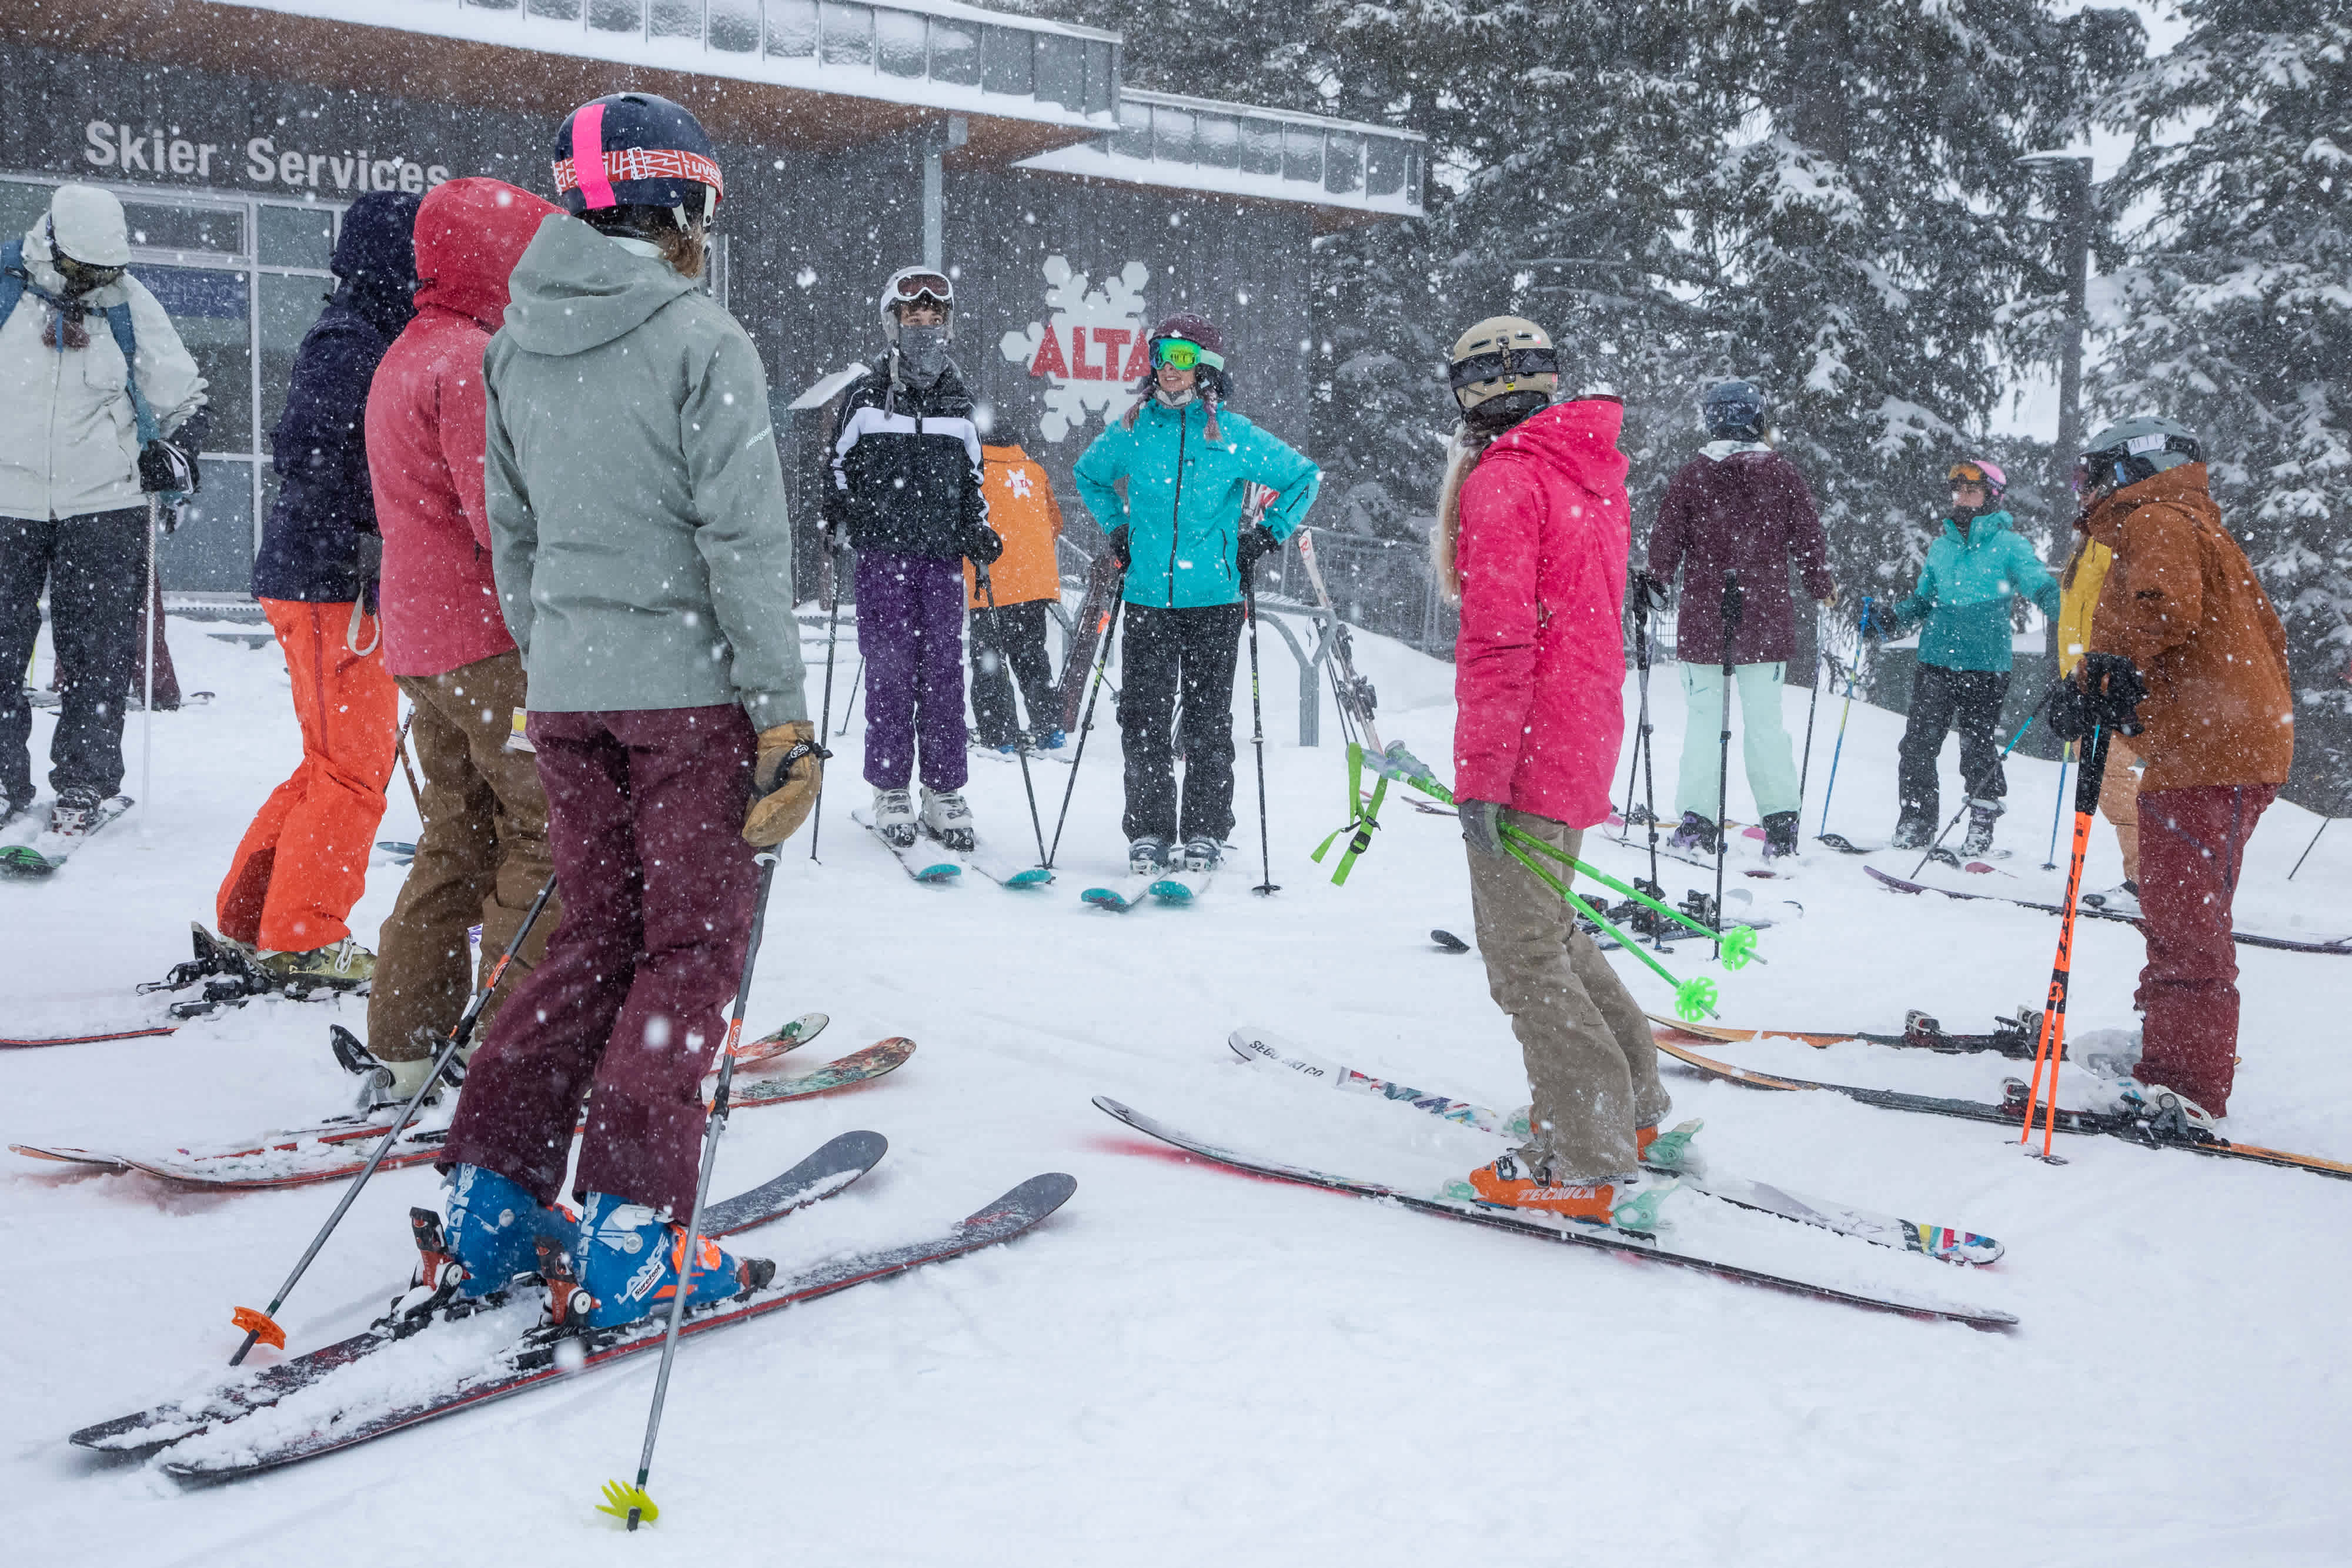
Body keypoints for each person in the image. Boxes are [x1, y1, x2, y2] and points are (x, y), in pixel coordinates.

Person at [432, 93, 822, 1329]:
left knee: (591, 940)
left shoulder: (513, 343)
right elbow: (744, 542)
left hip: (570, 695)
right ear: (680, 202)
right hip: (689, 695)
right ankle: (635, 1234)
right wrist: (779, 714)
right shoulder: (701, 339)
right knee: (688, 951)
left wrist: (565, 660)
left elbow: (515, 541)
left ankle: (492, 1200)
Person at [1432, 317, 1681, 1229]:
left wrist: (1481, 777)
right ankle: (1630, 1105)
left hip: (1531, 745)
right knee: (1555, 932)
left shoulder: (1505, 480)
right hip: (1578, 731)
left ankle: (1584, 1152)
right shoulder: (1584, 466)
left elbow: (1499, 643)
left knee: (1525, 952)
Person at [356, 178, 563, 1106]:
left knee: (457, 833)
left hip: (422, 643)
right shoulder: (475, 361)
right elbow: (502, 522)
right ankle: (515, 1052)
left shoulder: (406, 353)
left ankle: (406, 1040)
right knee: (548, 834)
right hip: (490, 644)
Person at [2052, 416, 2292, 1123]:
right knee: (2178, 909)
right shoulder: (2191, 523)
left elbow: (2162, 608)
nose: (2086, 490)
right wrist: (2100, 687)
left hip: (2207, 752)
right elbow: (2249, 636)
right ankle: (2168, 1045)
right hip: (2218, 744)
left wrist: (2108, 672)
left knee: (2184, 920)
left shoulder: (2155, 517)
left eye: (2092, 474)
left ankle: (2183, 1083)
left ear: (2132, 467)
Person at [214, 192, 416, 988]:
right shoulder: (354, 341)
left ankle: (255, 916)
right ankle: (303, 934)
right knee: (354, 770)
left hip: (319, 577)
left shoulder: (357, 332)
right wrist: (374, 529)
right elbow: (311, 452)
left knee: (328, 761)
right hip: (332, 584)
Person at [1073, 312, 1318, 875]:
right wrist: (1117, 527)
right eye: (1160, 355)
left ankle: (1206, 829)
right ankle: (1150, 830)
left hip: (1214, 601)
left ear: (1205, 367)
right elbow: (1089, 474)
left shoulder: (1232, 433)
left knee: (1207, 723)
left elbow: (1304, 476)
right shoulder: (1135, 428)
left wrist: (1266, 536)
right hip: (1147, 600)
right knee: (1143, 720)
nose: (1168, 367)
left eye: (1182, 357)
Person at [0, 183, 208, 835]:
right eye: (83, 270)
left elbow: (184, 396)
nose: (95, 283)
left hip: (105, 505)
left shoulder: (127, 303)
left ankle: (86, 780)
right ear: (52, 247)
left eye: (106, 270)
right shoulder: (6, 291)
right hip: (6, 502)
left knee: (97, 653)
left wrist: (177, 453)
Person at [820, 266, 998, 851]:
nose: (924, 327)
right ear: (892, 324)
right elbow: (836, 467)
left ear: (948, 326)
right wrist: (840, 515)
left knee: (944, 674)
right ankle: (891, 786)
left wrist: (977, 529)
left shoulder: (957, 401)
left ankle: (944, 790)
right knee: (890, 672)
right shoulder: (867, 397)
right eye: (913, 318)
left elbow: (973, 482)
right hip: (883, 557)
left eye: (933, 318)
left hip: (941, 560)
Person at [1646, 379, 1833, 860]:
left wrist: (1656, 582)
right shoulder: (1782, 474)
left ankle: (1698, 823)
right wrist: (1821, 585)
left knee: (1704, 724)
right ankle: (1781, 826)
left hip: (1705, 621)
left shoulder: (1693, 476)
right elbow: (1809, 538)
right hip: (1764, 620)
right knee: (1766, 725)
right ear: (1757, 418)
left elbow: (1666, 539)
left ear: (1712, 420)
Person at [1880, 458, 2060, 854]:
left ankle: (1981, 823)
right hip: (1935, 660)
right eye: (1958, 490)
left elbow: (2042, 588)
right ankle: (1916, 820)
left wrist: (2073, 619)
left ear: (1992, 497)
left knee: (1977, 747)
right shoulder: (1942, 547)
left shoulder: (2010, 546)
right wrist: (1891, 618)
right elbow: (1923, 601)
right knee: (1917, 745)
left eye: (1972, 491)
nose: (1962, 498)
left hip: (1985, 665)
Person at [965, 403, 1065, 754]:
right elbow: (1055, 523)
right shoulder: (1034, 470)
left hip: (990, 583)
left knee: (990, 663)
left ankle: (1000, 735)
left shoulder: (975, 473)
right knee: (1033, 658)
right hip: (1034, 585)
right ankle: (1050, 730)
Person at [2057, 524, 2142, 911]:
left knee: (2113, 780)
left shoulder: (2123, 538)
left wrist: (2116, 672)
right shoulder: (2087, 545)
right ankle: (2154, 878)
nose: (2084, 497)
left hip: (2112, 685)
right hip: (2085, 684)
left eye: (2090, 492)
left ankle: (2148, 882)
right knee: (2110, 782)